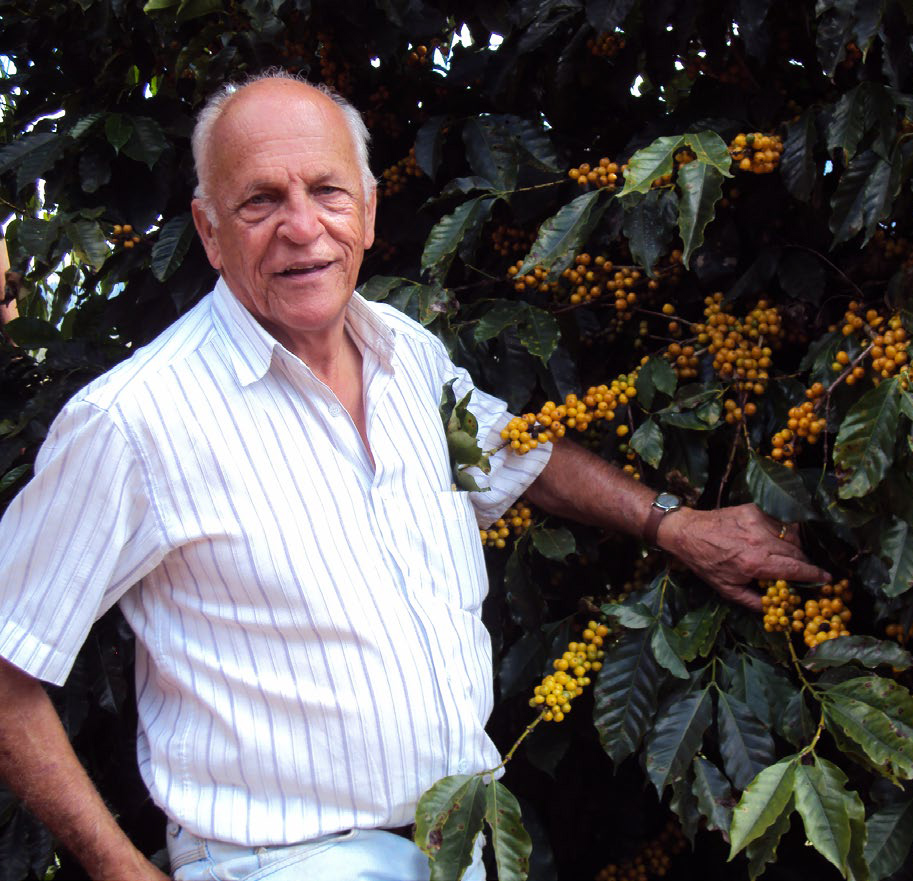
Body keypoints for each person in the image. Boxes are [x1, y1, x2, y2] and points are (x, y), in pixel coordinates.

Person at [0, 73, 829, 881]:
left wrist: (671, 522)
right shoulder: (134, 422)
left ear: (367, 210)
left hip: (459, 840)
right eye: (259, 202)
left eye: (327, 191)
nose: (302, 227)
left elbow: (516, 455)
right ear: (208, 231)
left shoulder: (408, 355)